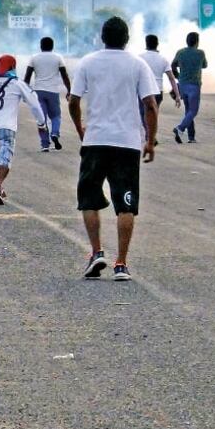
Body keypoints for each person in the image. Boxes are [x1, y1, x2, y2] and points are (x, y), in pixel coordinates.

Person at [69, 16, 158, 281]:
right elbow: (150, 105)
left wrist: (80, 129)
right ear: (127, 39)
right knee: (126, 204)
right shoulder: (137, 65)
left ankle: (97, 252)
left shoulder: (88, 62)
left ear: (102, 37)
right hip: (127, 143)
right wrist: (150, 141)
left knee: (88, 197)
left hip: (95, 140)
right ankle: (121, 263)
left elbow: (73, 101)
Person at [0, 55, 47, 205]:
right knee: (6, 159)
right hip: (7, 127)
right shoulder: (17, 84)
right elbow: (34, 104)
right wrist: (41, 123)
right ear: (13, 67)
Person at [25, 36, 72, 151]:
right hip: (53, 91)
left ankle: (45, 144)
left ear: (41, 46)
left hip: (38, 92)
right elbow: (64, 75)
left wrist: (25, 92)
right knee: (56, 116)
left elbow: (27, 77)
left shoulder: (34, 58)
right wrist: (69, 90)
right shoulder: (58, 57)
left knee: (42, 119)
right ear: (52, 46)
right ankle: (55, 133)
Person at [138, 34, 180, 145]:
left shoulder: (140, 58)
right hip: (158, 92)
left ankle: (149, 135)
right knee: (153, 113)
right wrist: (177, 95)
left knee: (143, 114)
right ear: (157, 44)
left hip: (144, 91)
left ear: (146, 44)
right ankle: (151, 136)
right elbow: (171, 78)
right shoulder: (163, 59)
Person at [170, 31, 207, 144]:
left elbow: (173, 65)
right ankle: (180, 128)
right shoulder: (200, 53)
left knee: (188, 111)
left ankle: (191, 137)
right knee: (193, 111)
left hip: (182, 85)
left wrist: (177, 76)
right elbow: (205, 65)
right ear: (197, 42)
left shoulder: (180, 52)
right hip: (194, 85)